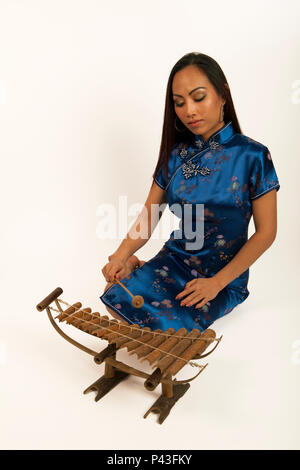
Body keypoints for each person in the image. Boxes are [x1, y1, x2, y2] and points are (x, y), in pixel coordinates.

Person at [99, 52, 280, 333]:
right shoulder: (175, 156)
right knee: (117, 300)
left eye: (198, 97)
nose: (189, 111)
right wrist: (121, 254)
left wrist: (217, 283)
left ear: (223, 94)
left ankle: (142, 269)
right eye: (179, 103)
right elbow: (149, 216)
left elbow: (266, 233)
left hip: (221, 277)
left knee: (166, 329)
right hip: (176, 259)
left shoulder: (253, 156)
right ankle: (139, 266)